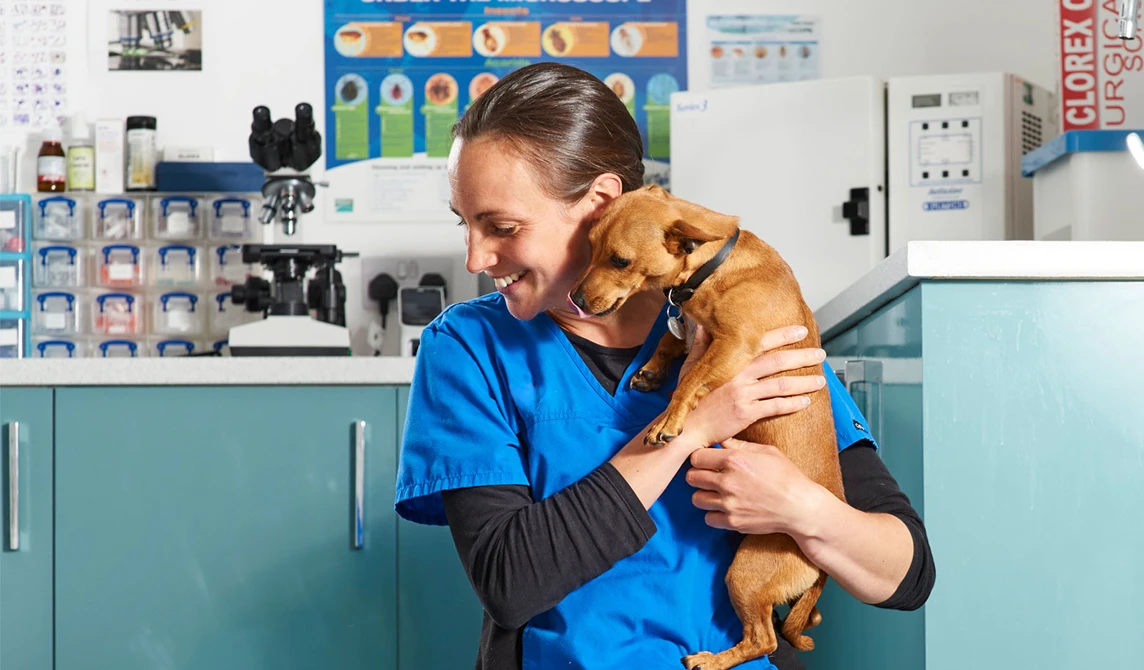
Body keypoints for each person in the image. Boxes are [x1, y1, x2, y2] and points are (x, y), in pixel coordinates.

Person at [394, 62, 935, 670]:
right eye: (463, 222)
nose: (475, 256)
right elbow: (511, 582)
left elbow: (907, 575)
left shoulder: (741, 323)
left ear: (600, 203)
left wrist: (801, 508)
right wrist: (694, 428)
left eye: (502, 226)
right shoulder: (468, 347)